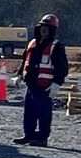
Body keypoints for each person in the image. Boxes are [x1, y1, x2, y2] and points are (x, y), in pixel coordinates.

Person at [16, 14, 67, 145]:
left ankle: (42, 138)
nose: (44, 30)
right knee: (29, 113)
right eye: (42, 27)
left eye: (47, 28)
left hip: (45, 87)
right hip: (31, 85)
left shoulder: (56, 46)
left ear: (52, 31)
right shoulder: (32, 43)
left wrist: (57, 83)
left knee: (44, 114)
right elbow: (24, 61)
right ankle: (28, 135)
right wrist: (19, 75)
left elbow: (62, 67)